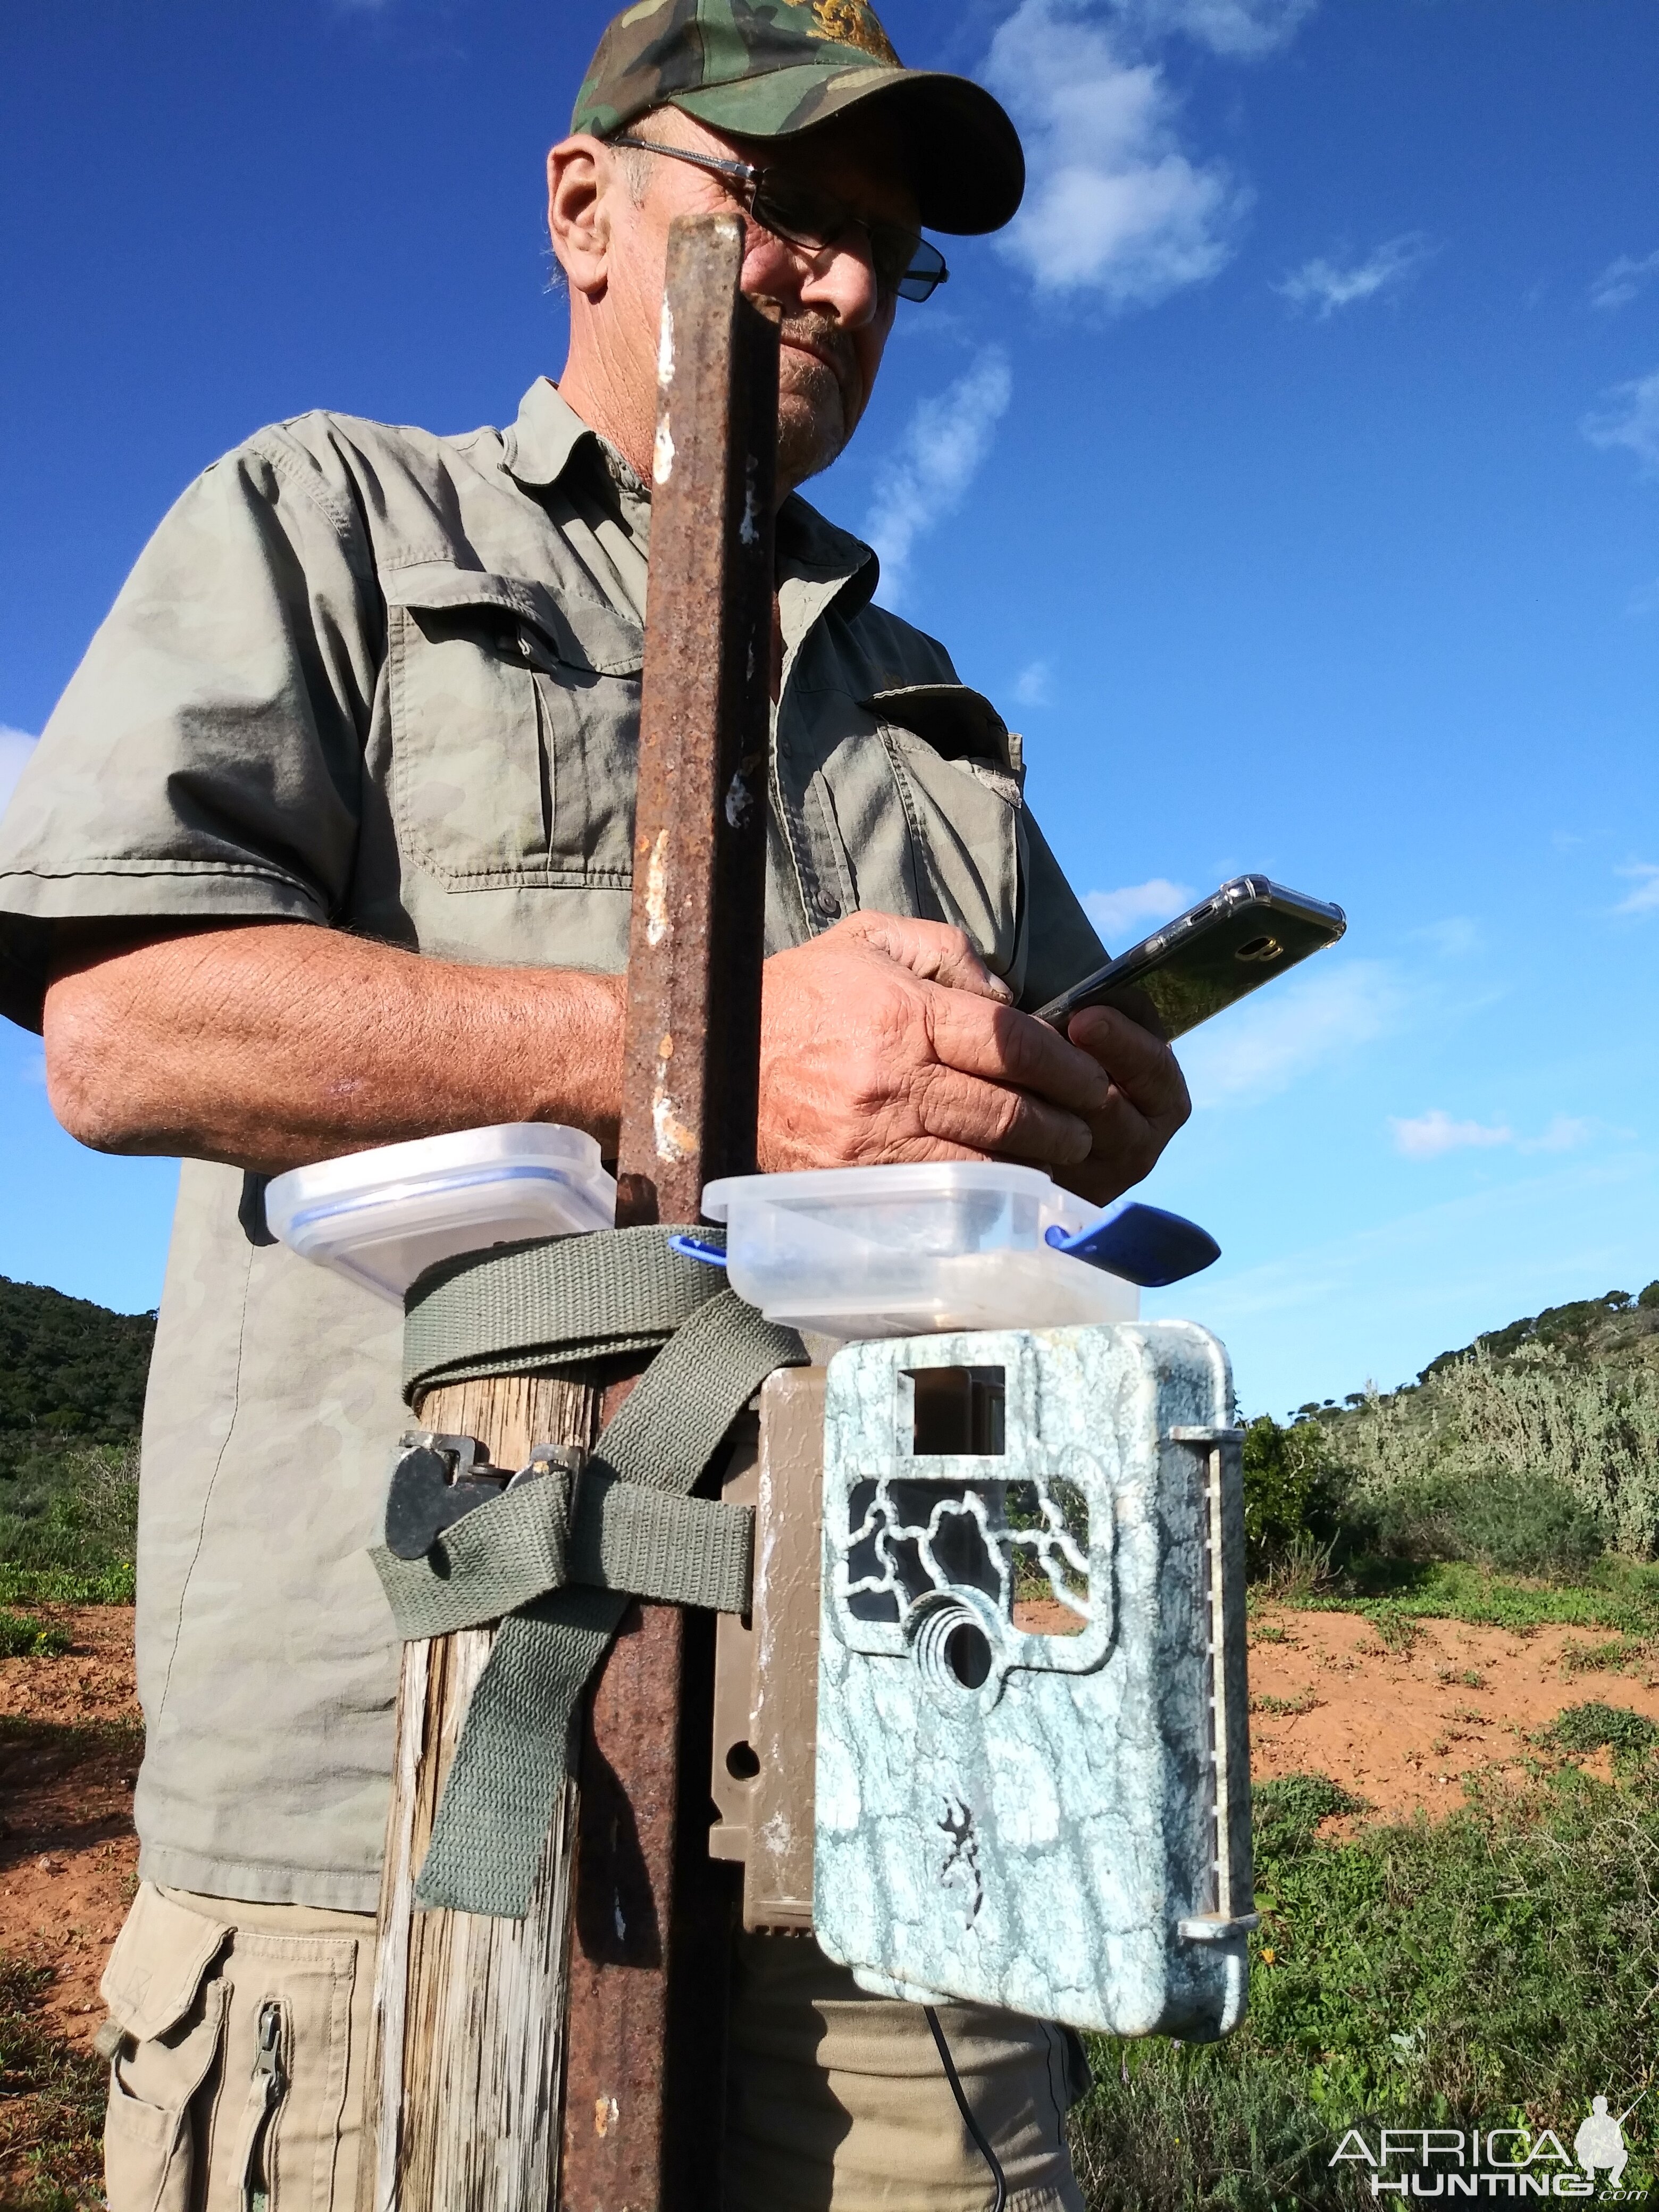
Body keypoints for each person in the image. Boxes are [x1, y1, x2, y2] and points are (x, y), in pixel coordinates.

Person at [0, 1, 1191, 2205]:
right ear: (585, 206)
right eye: (788, 208)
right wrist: (706, 1057)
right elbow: (126, 1028)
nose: (838, 278)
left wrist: (1094, 1105)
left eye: (887, 246)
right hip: (399, 1820)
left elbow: (1042, 1132)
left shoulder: (933, 729)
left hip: (898, 1837)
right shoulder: (338, 524)